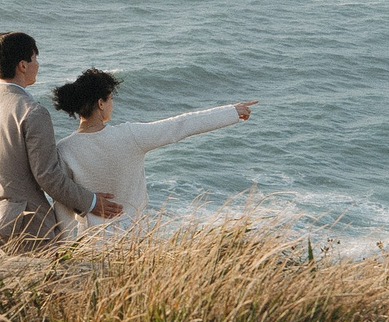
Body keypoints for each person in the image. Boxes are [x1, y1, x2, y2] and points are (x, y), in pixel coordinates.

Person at [0, 31, 121, 242]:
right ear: (23, 65)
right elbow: (48, 176)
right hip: (27, 227)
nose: (38, 65)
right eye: (35, 59)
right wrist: (91, 202)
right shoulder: (32, 112)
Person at [53, 67, 256, 229]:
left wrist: (64, 254)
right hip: (132, 240)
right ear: (101, 103)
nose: (112, 104)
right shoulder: (129, 136)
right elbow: (180, 125)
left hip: (89, 244)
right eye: (110, 99)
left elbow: (62, 206)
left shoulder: (64, 148)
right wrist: (231, 112)